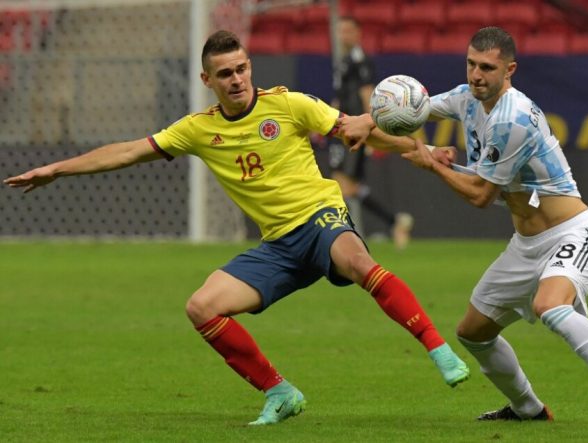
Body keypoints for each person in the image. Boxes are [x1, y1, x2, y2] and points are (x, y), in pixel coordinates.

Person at [3, 30, 470, 426]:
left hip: (320, 220)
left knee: (357, 261)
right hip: (277, 247)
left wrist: (425, 154)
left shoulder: (289, 105)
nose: (237, 79)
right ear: (208, 81)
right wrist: (57, 169)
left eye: (242, 68)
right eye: (225, 74)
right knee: (202, 307)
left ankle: (437, 349)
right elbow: (126, 151)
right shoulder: (197, 130)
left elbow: (359, 131)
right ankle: (280, 392)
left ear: (250, 68)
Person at [339, 26, 588, 432]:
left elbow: (479, 195)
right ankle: (527, 407)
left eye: (487, 68)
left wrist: (432, 161)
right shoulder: (466, 97)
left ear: (509, 70)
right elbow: (414, 112)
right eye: (472, 64)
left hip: (574, 233)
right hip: (527, 242)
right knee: (473, 332)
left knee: (551, 306)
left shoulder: (514, 119)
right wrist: (366, 119)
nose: (476, 74)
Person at [328, 15, 413, 249]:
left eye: (347, 31)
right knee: (345, 186)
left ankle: (348, 235)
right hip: (341, 128)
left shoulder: (360, 60)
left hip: (355, 128)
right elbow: (341, 96)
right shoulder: (343, 60)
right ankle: (394, 222)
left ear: (357, 35)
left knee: (343, 187)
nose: (343, 35)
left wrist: (371, 128)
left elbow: (368, 93)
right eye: (340, 31)